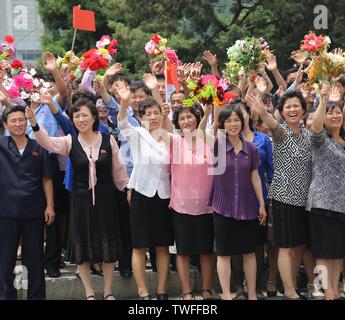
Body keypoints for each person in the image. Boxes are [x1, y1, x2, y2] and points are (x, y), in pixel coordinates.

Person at [25, 98, 129, 300]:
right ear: (72, 119)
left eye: (84, 115)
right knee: (82, 244)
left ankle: (108, 291)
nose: (80, 119)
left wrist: (127, 190)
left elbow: (119, 170)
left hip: (107, 200)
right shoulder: (70, 141)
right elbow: (46, 142)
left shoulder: (108, 139)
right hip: (80, 201)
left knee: (108, 243)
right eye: (76, 116)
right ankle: (89, 292)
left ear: (93, 117)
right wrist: (34, 124)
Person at [247, 91, 311, 300]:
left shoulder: (309, 134)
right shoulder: (281, 132)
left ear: (303, 109)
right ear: (282, 111)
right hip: (283, 198)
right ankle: (290, 291)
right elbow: (271, 123)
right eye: (288, 107)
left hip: (306, 199)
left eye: (296, 106)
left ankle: (289, 284)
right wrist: (263, 111)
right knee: (285, 247)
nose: (292, 110)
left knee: (300, 245)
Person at [117, 82, 173, 300]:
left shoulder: (169, 137)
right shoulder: (138, 133)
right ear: (141, 117)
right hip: (142, 194)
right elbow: (122, 123)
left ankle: (161, 290)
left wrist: (158, 94)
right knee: (140, 245)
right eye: (148, 114)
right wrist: (123, 101)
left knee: (162, 245)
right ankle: (142, 291)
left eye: (156, 112)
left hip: (164, 196)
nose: (153, 117)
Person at [208, 105, 267, 300]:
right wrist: (211, 109)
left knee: (249, 252)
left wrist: (261, 204)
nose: (234, 124)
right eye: (229, 120)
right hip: (222, 206)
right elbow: (202, 134)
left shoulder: (251, 147)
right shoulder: (216, 144)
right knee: (223, 253)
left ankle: (251, 294)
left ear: (243, 122)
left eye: (237, 120)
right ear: (222, 124)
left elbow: (255, 177)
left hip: (247, 206)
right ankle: (226, 294)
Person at [161, 104, 218, 300]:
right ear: (177, 123)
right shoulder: (175, 141)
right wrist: (162, 114)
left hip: (207, 206)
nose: (187, 121)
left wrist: (212, 109)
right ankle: (186, 291)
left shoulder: (208, 140)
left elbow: (215, 124)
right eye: (182, 118)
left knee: (206, 251)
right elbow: (162, 131)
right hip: (181, 206)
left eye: (190, 117)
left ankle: (206, 289)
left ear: (198, 118)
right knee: (183, 251)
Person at [0, 105, 55, 300]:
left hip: (34, 211)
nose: (18, 124)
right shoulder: (1, 144)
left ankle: (37, 296)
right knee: (5, 260)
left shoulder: (38, 148)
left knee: (34, 259)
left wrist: (50, 205)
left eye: (21, 120)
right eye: (13, 121)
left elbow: (46, 179)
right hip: (6, 212)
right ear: (5, 124)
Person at [230, 100, 274, 298]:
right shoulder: (228, 140)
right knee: (236, 244)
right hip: (234, 200)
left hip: (258, 200)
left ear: (248, 115)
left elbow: (271, 170)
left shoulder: (263, 139)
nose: (238, 118)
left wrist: (270, 199)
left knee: (257, 244)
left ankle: (254, 287)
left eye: (242, 113)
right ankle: (240, 287)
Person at [308, 85, 345, 300]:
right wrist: (323, 100)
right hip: (322, 203)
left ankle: (335, 289)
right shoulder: (320, 140)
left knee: (338, 252)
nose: (335, 115)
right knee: (324, 252)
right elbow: (314, 126)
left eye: (338, 111)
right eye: (330, 112)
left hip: (342, 204)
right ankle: (327, 291)